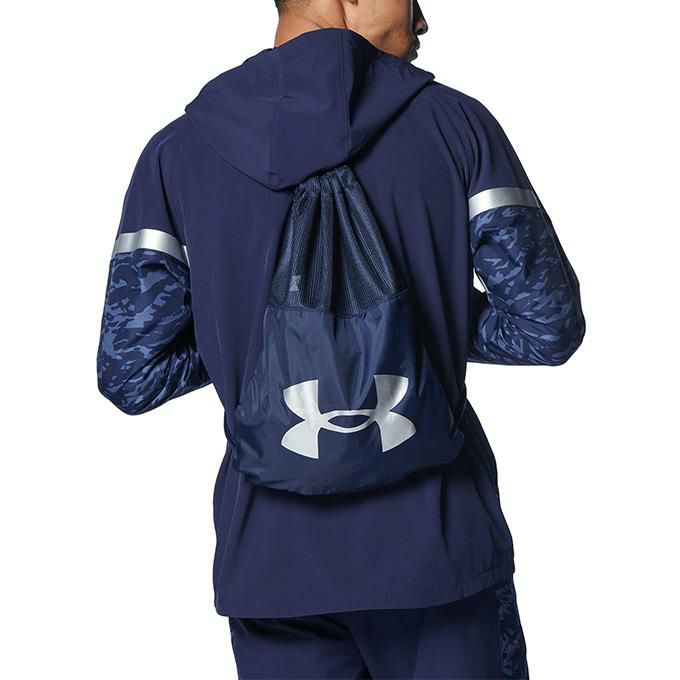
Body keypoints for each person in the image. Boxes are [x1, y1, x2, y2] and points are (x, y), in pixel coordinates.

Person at [96, 0, 585, 677]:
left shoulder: (177, 152)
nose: (422, 21)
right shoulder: (457, 125)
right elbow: (546, 326)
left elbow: (132, 373)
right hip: (437, 550)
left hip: (271, 560)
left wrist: (252, 339)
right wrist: (422, 324)